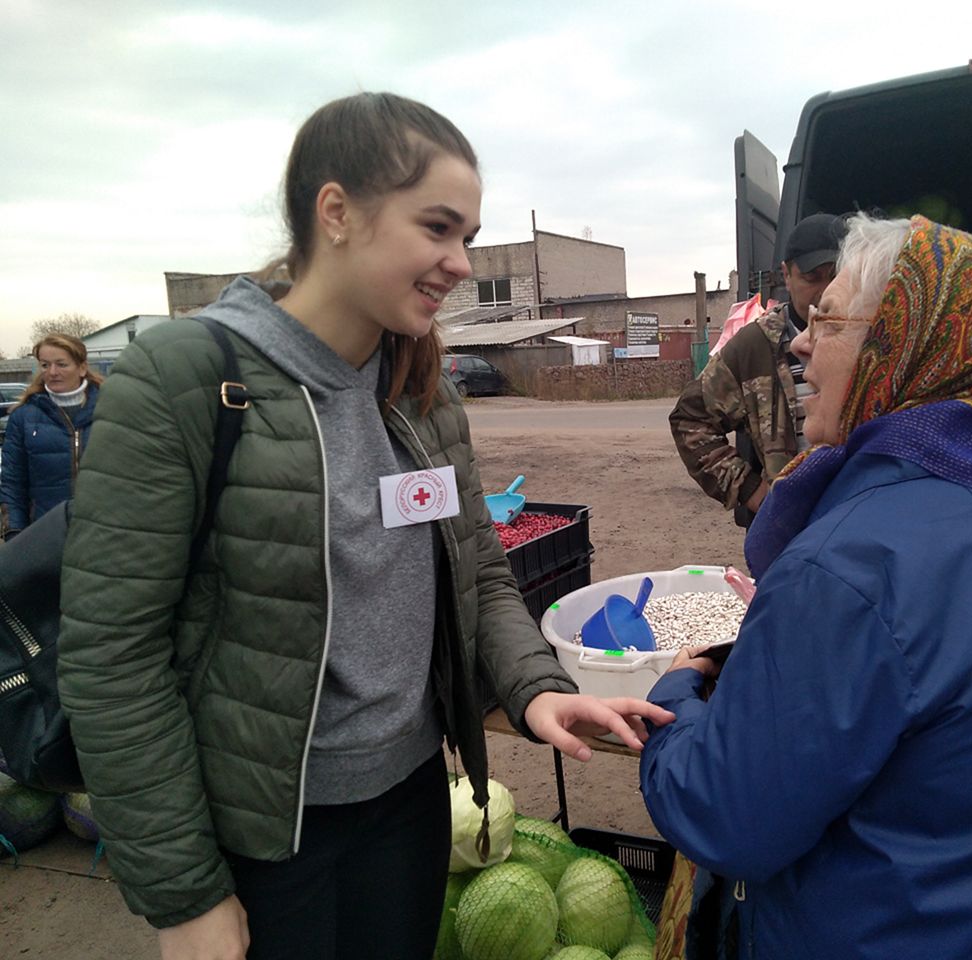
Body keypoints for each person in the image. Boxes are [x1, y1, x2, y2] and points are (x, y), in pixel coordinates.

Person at [55, 93, 673, 960]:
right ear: (337, 212)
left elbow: (480, 574)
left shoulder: (421, 386)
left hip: (410, 803)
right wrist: (184, 893)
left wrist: (534, 688)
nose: (460, 261)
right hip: (266, 830)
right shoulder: (189, 375)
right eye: (438, 228)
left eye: (469, 235)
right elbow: (111, 657)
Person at [641, 214, 972, 958]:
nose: (798, 343)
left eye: (827, 322)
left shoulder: (848, 567)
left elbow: (726, 817)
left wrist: (675, 703)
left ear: (903, 344)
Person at [669, 214, 845, 527]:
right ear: (786, 275)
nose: (826, 290)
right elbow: (689, 419)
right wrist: (757, 495)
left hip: (864, 523)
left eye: (836, 276)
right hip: (792, 533)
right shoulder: (755, 346)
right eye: (812, 277)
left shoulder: (877, 338)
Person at [0, 333, 102, 539]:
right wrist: (15, 534)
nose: (52, 372)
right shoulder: (24, 417)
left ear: (82, 368)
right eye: (45, 365)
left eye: (61, 364)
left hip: (103, 533)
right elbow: (12, 483)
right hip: (46, 534)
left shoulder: (111, 409)